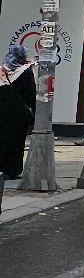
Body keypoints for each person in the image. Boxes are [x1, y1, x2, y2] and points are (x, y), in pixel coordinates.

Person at [0, 41, 37, 181]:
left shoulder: (2, 70)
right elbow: (30, 95)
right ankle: (12, 169)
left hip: (2, 113)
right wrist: (35, 113)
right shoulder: (25, 72)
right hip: (18, 115)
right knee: (16, 142)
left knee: (3, 139)